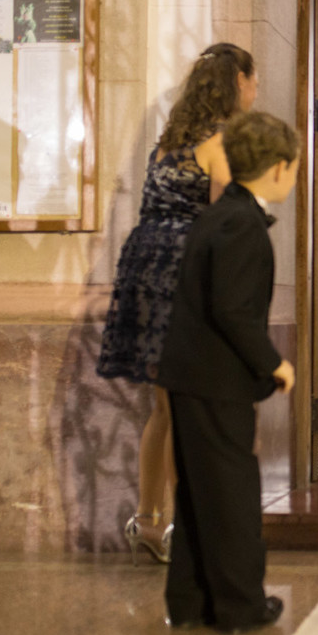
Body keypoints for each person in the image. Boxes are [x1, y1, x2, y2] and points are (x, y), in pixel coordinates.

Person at [96, 43, 258, 565]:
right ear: (237, 82)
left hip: (147, 269)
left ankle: (147, 519)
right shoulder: (222, 144)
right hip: (188, 274)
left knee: (165, 407)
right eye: (252, 82)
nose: (256, 92)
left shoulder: (166, 145)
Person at [155, 111, 299, 634]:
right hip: (215, 378)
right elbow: (233, 311)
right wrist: (275, 362)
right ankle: (240, 606)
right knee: (233, 492)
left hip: (191, 373)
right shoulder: (242, 224)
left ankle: (191, 601)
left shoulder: (221, 214)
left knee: (198, 491)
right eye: (295, 167)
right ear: (280, 168)